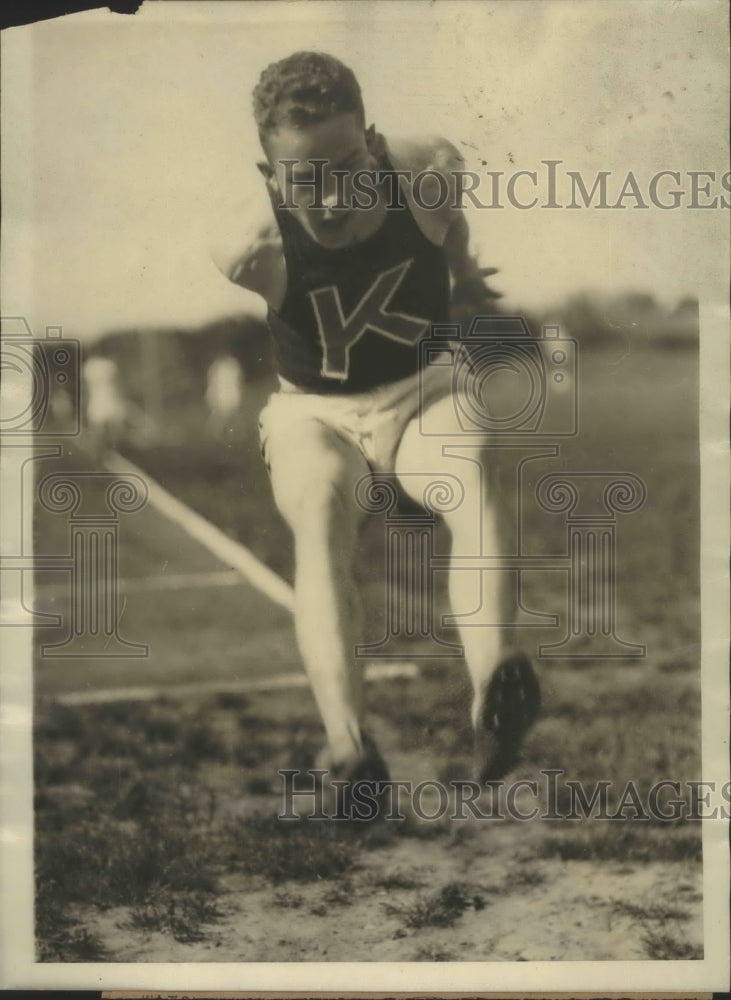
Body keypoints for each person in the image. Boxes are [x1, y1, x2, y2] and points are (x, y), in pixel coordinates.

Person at [210, 51, 539, 801]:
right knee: (322, 509)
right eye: (304, 179)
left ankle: (495, 687)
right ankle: (348, 746)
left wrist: (460, 271)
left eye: (349, 165)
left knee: (469, 462)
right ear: (269, 178)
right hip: (314, 411)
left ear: (376, 144)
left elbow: (448, 216)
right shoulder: (246, 250)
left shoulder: (426, 173)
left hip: (422, 389)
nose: (331, 198)